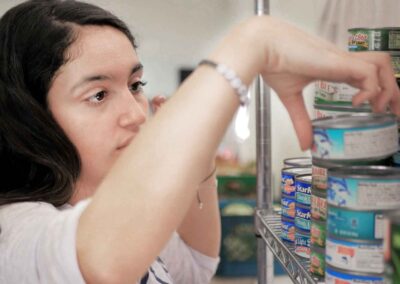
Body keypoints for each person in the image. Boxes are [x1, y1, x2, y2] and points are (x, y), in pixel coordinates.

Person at [0, 1, 398, 284]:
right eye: (99, 95)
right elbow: (97, 266)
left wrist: (200, 157)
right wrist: (254, 44)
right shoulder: (13, 234)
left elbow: (194, 266)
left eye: (135, 85)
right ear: (28, 116)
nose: (137, 114)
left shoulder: (119, 210)